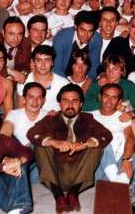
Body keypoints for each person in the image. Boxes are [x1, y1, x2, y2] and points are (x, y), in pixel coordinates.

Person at [27, 84, 113, 213]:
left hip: (79, 173)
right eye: (65, 100)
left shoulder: (87, 119)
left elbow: (106, 134)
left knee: (95, 146)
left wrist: (86, 143)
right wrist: (53, 142)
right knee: (41, 145)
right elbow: (32, 133)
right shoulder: (51, 119)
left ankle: (74, 194)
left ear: (81, 103)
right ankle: (58, 196)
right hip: (55, 173)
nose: (70, 104)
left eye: (75, 100)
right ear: (60, 103)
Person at [90, 83, 134, 183]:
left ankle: (117, 182)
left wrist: (126, 159)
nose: (109, 101)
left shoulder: (123, 117)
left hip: (120, 163)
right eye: (106, 96)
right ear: (100, 97)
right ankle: (118, 182)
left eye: (114, 97)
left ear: (119, 101)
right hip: (98, 168)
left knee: (133, 152)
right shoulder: (90, 116)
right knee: (104, 140)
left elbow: (130, 138)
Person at [17, 45, 69, 112]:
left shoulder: (64, 84)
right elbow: (20, 110)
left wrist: (57, 114)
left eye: (47, 60)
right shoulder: (24, 81)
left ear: (52, 62)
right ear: (33, 62)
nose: (43, 64)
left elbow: (68, 110)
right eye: (39, 60)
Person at [52, 10, 102, 79]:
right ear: (75, 27)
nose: (86, 35)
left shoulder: (97, 39)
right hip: (62, 78)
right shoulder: (62, 38)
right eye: (82, 30)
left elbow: (94, 66)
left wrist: (88, 81)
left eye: (90, 31)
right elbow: (56, 68)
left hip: (84, 79)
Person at [2, 82, 49, 147]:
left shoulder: (48, 116)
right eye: (31, 97)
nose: (35, 101)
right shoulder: (14, 114)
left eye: (39, 97)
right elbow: (6, 130)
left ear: (43, 101)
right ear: (24, 99)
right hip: (18, 152)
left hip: (39, 153)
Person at [0, 16, 30, 83]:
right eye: (11, 34)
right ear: (3, 33)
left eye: (20, 34)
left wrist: (23, 73)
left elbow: (27, 66)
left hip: (15, 84)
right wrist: (9, 71)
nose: (16, 39)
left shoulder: (26, 43)